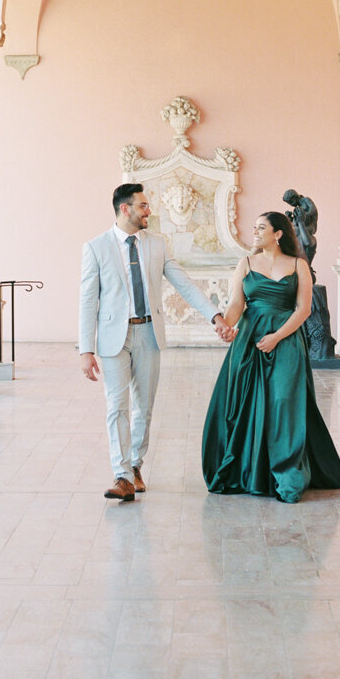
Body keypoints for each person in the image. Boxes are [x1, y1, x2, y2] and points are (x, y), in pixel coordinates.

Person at [80, 183, 231, 501]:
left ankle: (135, 465)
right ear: (126, 209)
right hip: (112, 339)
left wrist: (215, 316)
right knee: (116, 407)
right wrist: (86, 349)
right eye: (143, 206)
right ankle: (121, 475)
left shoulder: (157, 245)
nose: (149, 211)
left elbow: (185, 286)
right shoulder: (96, 247)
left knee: (143, 408)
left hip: (149, 334)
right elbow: (87, 300)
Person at [201, 210, 340, 503]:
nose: (255, 232)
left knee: (284, 402)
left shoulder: (298, 265)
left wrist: (278, 337)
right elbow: (235, 306)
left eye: (261, 228)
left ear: (278, 233)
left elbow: (303, 309)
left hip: (286, 340)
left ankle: (287, 472)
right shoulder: (245, 264)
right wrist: (226, 326)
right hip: (250, 340)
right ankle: (249, 471)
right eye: (254, 227)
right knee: (246, 404)